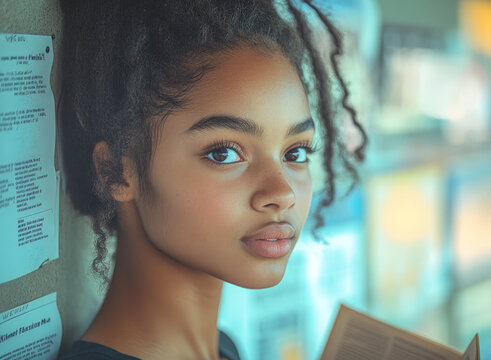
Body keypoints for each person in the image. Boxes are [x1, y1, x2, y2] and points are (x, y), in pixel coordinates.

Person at [59, 0, 367, 359]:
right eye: (223, 153)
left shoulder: (224, 349)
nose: (282, 194)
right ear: (115, 170)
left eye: (295, 153)